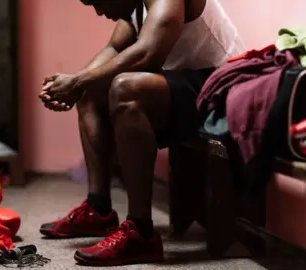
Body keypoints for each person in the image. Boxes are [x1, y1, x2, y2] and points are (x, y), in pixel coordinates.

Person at [38, 0, 245, 266]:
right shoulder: (134, 8)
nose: (100, 12)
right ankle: (98, 208)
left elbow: (149, 53)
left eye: (97, 2)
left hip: (224, 91)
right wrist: (77, 83)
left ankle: (141, 232)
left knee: (126, 88)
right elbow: (113, 49)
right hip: (191, 88)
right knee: (92, 90)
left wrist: (77, 81)